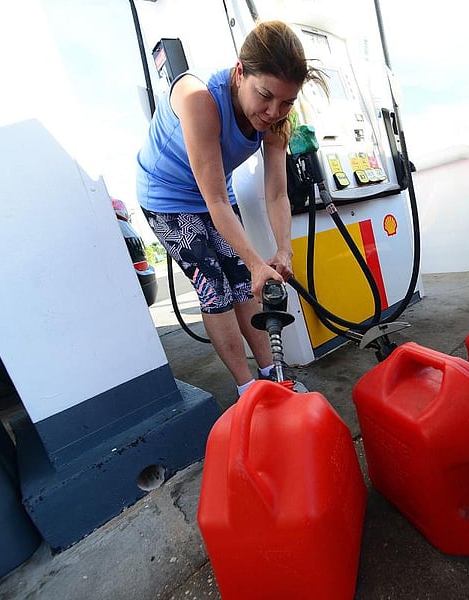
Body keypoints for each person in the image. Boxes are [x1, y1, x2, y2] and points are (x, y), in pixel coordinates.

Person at [136, 20, 324, 398]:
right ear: (240, 72)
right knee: (216, 290)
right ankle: (247, 388)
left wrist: (282, 250)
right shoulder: (198, 96)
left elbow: (276, 195)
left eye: (286, 101)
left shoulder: (276, 117)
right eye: (265, 96)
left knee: (243, 284)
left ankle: (274, 374)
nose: (274, 111)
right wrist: (258, 262)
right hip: (168, 198)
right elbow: (215, 200)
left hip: (217, 194)